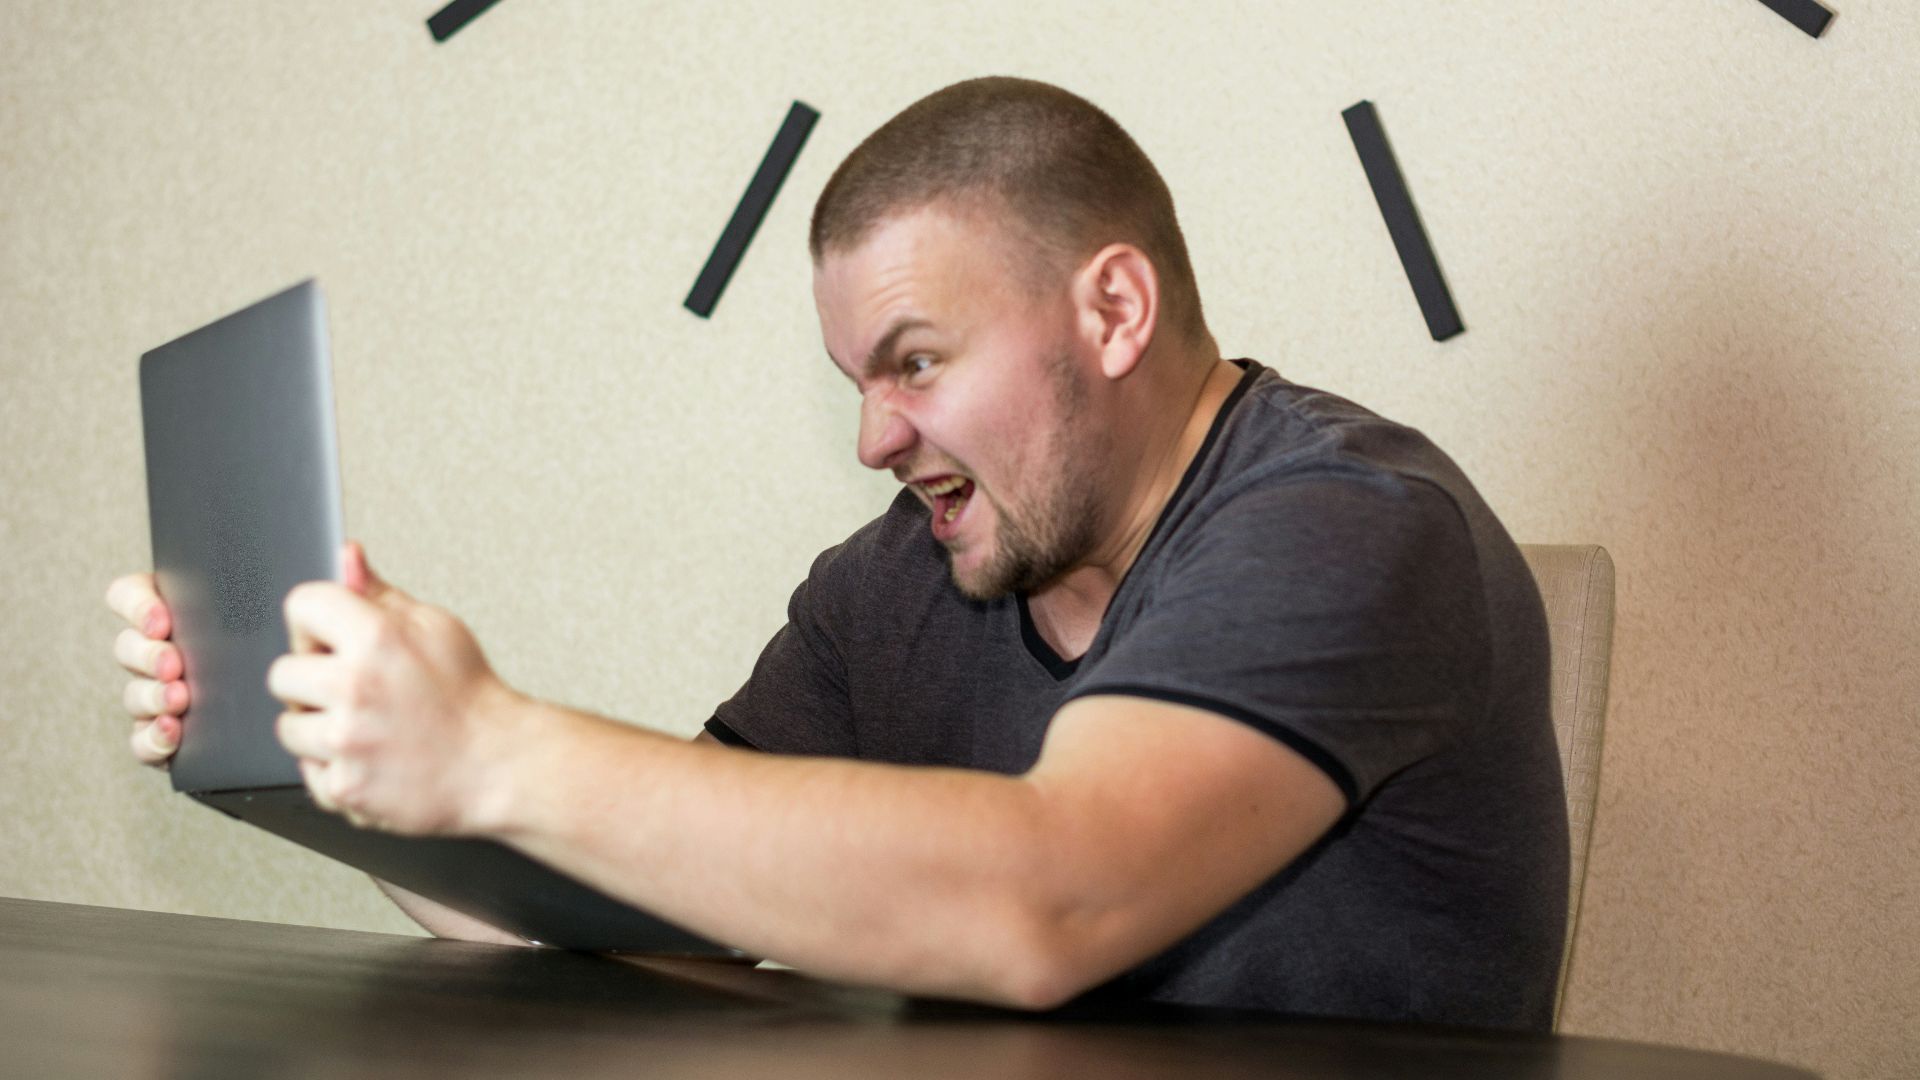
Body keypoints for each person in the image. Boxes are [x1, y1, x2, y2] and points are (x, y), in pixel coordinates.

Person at [105, 77, 1568, 1028]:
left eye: (915, 361)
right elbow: (651, 930)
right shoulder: (898, 579)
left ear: (1114, 312)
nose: (876, 438)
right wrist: (337, 765)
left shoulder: (1350, 523)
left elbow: (1051, 897)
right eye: (856, 381)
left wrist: (493, 746)